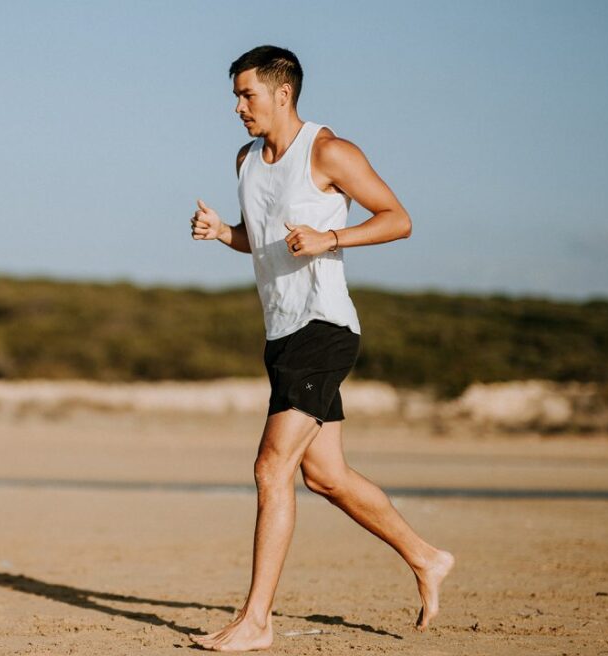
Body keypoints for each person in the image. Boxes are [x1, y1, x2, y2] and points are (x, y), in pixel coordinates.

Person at [188, 46, 453, 651]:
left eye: (247, 95)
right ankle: (426, 556)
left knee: (271, 468)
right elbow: (260, 241)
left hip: (323, 328)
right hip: (282, 333)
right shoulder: (246, 160)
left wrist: (330, 236)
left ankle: (257, 620)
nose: (238, 107)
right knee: (326, 475)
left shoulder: (329, 151)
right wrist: (223, 233)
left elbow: (398, 218)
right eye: (235, 96)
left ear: (282, 93)